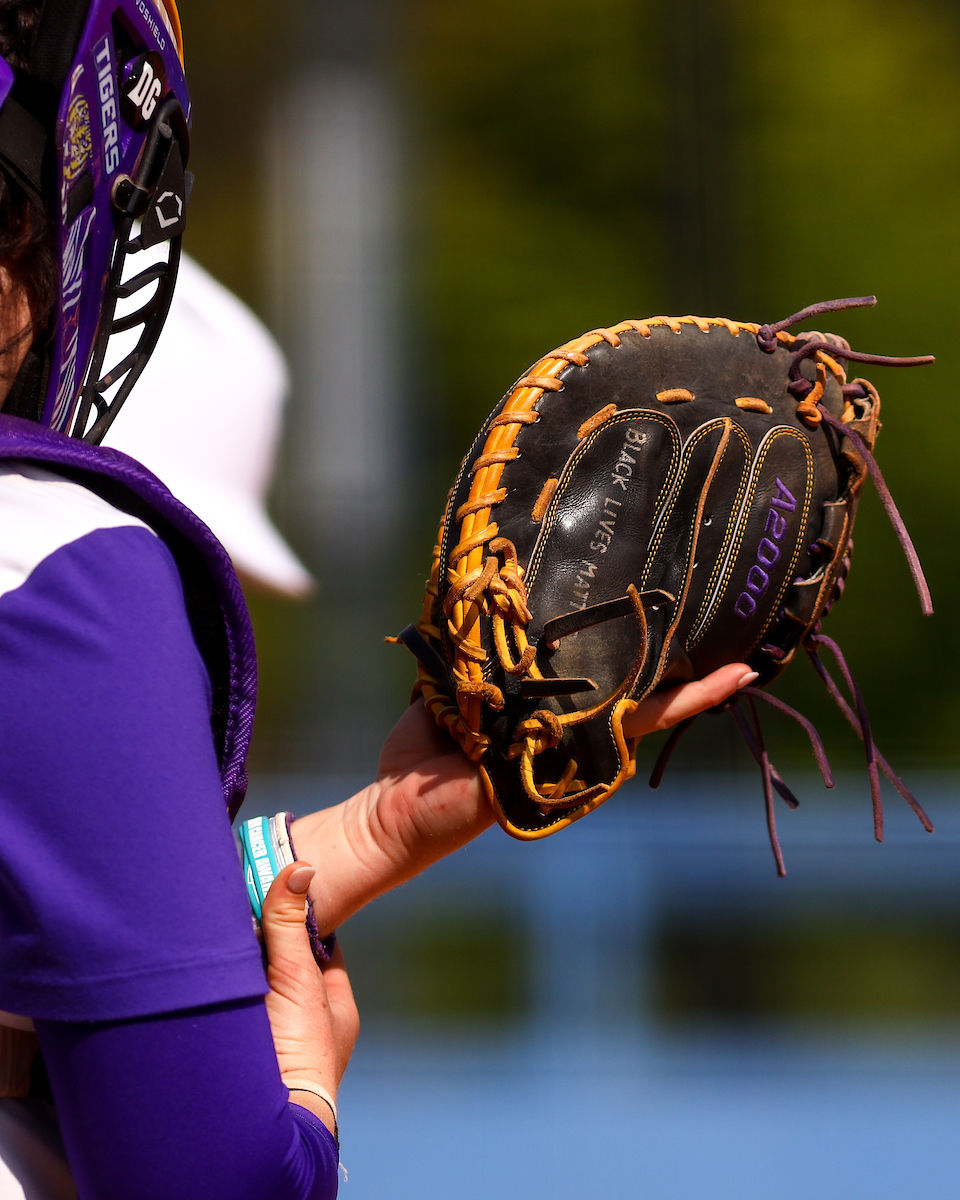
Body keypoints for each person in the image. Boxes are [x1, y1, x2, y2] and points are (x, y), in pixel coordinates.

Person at [0, 0, 756, 1197]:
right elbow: (204, 1180)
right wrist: (300, 1104)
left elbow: (62, 899)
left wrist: (369, 836)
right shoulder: (53, 563)